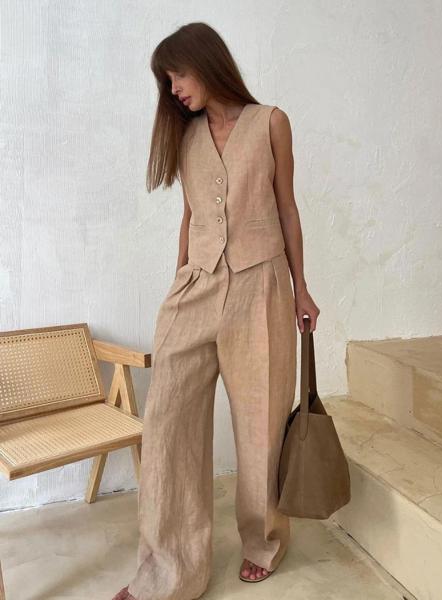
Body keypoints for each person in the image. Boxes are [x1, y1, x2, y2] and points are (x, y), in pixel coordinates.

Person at [113, 21, 319, 600]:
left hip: (261, 287)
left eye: (177, 74)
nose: (174, 89)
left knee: (260, 425)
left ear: (206, 62)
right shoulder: (186, 136)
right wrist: (178, 281)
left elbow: (288, 209)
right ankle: (168, 569)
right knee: (168, 424)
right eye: (167, 81)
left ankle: (264, 541)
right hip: (197, 286)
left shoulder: (271, 122)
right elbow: (189, 215)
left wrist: (301, 290)